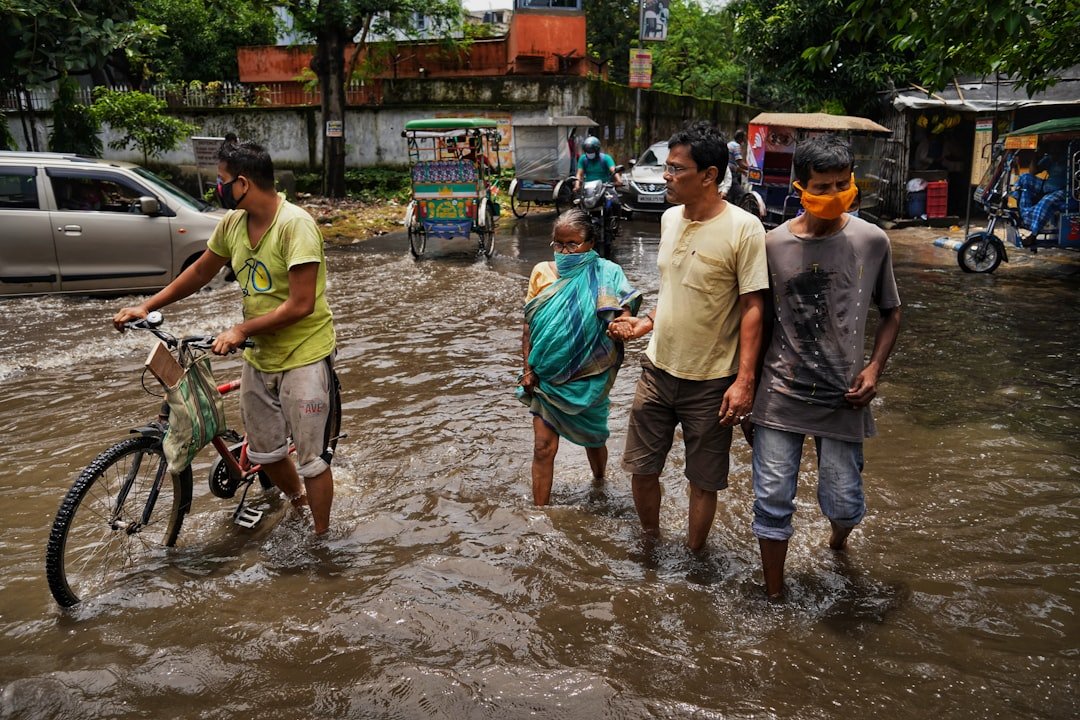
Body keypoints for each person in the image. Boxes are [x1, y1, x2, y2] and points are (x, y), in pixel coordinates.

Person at [113, 141, 338, 535]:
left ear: (244, 183)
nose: (217, 188)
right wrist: (147, 306)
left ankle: (322, 538)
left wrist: (241, 329)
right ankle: (298, 502)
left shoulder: (295, 225)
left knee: (312, 461)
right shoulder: (233, 224)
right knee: (265, 452)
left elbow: (302, 304)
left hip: (304, 354)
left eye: (221, 181)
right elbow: (201, 272)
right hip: (260, 355)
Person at [748, 134, 901, 601]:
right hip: (780, 394)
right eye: (823, 186)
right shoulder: (772, 245)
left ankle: (838, 540)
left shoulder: (871, 241)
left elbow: (891, 312)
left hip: (843, 396)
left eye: (842, 184)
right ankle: (775, 593)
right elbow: (758, 320)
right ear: (799, 187)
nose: (834, 195)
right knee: (772, 499)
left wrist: (874, 369)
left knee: (844, 503)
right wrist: (743, 385)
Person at [608, 121, 768, 552]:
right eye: (666, 167)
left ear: (710, 175)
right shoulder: (667, 219)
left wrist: (744, 382)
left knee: (703, 481)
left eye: (676, 169)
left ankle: (695, 556)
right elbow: (677, 287)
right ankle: (650, 543)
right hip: (657, 369)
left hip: (713, 380)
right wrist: (647, 323)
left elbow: (753, 307)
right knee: (641, 469)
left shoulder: (744, 228)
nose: (666, 176)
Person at [518, 209, 642, 505]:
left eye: (572, 244)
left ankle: (600, 485)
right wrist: (527, 368)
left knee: (594, 438)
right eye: (558, 245)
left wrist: (622, 323)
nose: (564, 251)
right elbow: (529, 325)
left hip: (590, 376)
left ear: (590, 242)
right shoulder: (541, 272)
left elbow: (625, 306)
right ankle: (540, 513)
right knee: (542, 448)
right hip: (546, 377)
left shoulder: (607, 272)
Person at [1014, 153, 1068, 252]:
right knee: (1025, 178)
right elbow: (1032, 171)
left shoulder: (1068, 157)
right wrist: (1035, 155)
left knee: (1046, 201)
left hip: (1064, 190)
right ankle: (1025, 215)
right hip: (1047, 187)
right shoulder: (1050, 158)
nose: (1052, 150)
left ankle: (1033, 235)